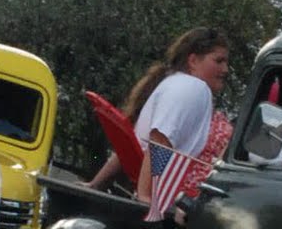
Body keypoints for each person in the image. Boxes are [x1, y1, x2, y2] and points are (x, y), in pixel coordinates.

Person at [87, 26, 231, 195]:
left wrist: (95, 184)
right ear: (193, 61)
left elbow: (136, 144)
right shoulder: (194, 87)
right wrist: (146, 197)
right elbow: (160, 139)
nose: (225, 69)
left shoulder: (173, 83)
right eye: (218, 61)